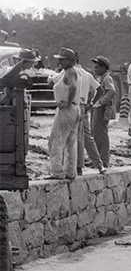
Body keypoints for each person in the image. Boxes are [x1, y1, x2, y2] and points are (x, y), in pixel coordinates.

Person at [47, 48, 80, 180]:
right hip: (75, 109)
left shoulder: (70, 72)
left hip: (66, 109)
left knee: (56, 141)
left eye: (62, 59)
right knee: (71, 142)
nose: (59, 61)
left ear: (68, 60)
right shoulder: (68, 71)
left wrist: (67, 101)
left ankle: (57, 172)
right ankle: (70, 171)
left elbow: (73, 87)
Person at [74, 52, 104, 175]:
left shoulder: (68, 72)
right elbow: (100, 90)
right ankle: (99, 164)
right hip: (84, 106)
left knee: (72, 137)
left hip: (73, 105)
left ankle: (76, 165)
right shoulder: (87, 74)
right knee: (86, 138)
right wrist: (91, 104)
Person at [90, 56, 116, 169]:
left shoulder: (107, 78)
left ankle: (104, 160)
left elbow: (111, 91)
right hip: (97, 108)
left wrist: (101, 102)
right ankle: (97, 158)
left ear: (103, 67)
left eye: (97, 67)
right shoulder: (101, 78)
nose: (95, 69)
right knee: (96, 134)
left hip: (101, 109)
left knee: (101, 135)